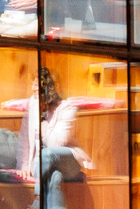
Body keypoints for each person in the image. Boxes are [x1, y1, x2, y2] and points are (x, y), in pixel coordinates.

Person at [22, 66, 93, 209]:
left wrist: (43, 118)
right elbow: (24, 138)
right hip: (41, 164)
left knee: (47, 154)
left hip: (68, 161)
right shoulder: (32, 105)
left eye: (37, 86)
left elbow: (57, 142)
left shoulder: (67, 108)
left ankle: (37, 199)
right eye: (33, 85)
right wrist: (23, 165)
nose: (33, 89)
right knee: (54, 178)